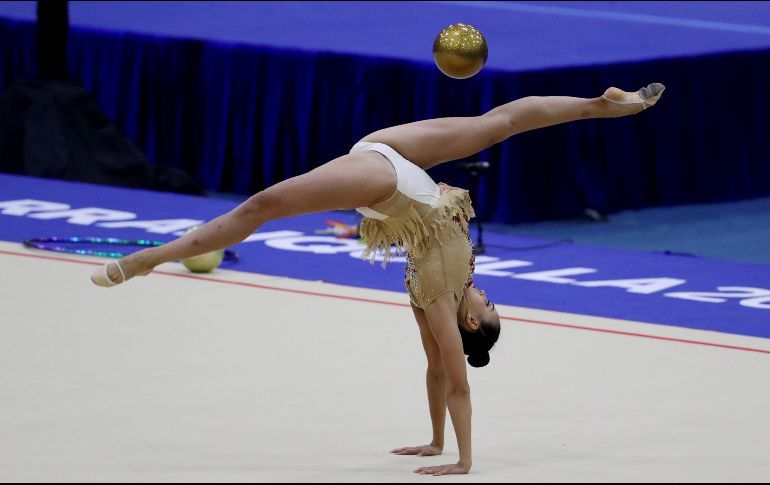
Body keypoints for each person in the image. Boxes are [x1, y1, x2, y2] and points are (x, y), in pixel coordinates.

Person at [91, 83, 665, 475]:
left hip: (387, 173)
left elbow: (449, 375)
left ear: (472, 320)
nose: (492, 297)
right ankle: (605, 104)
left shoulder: (440, 293)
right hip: (386, 168)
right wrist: (442, 444)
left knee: (262, 208)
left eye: (492, 308)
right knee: (499, 124)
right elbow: (443, 369)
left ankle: (150, 258)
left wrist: (456, 454)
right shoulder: (454, 282)